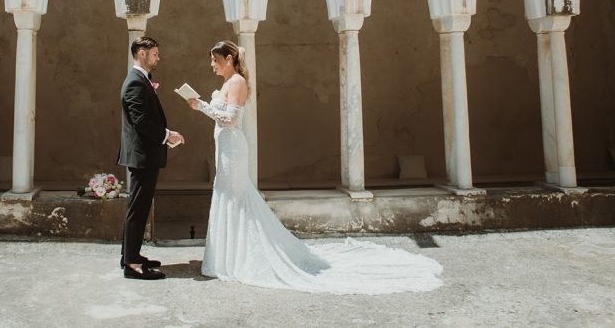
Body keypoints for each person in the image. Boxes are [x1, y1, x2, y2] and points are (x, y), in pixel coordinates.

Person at [184, 40, 443, 294]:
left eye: (215, 60)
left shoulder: (237, 81)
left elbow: (230, 120)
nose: (211, 65)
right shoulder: (228, 82)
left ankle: (240, 258)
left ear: (228, 59)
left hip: (233, 148)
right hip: (225, 148)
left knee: (236, 197)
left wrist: (202, 106)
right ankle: (229, 257)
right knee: (227, 196)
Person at [117, 36, 185, 280]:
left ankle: (129, 255)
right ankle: (132, 265)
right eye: (154, 53)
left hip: (143, 155)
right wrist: (168, 135)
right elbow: (141, 122)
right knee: (138, 208)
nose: (158, 58)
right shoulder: (135, 82)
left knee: (138, 207)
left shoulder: (140, 80)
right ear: (141, 54)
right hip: (142, 156)